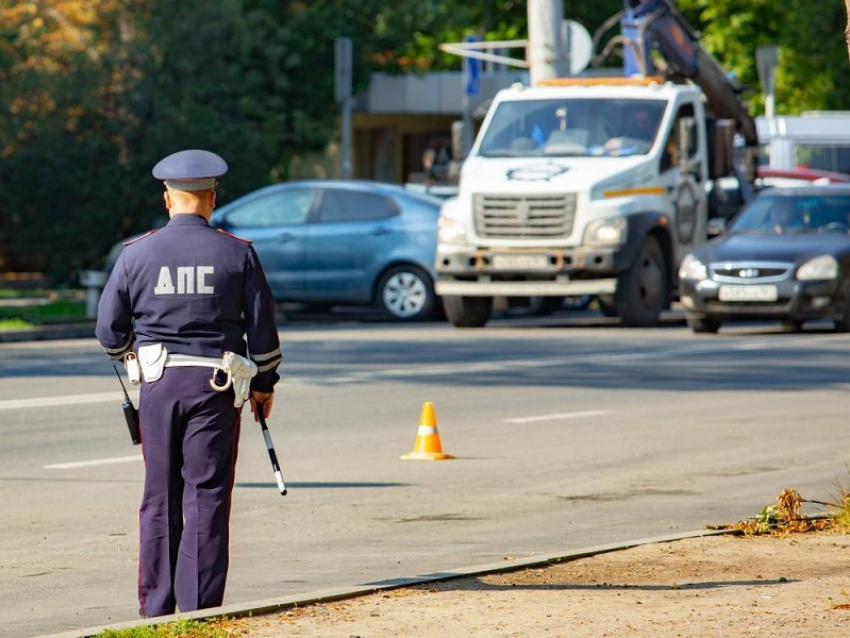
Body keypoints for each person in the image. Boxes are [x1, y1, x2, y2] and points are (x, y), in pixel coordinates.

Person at [95, 149, 282, 618]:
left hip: (158, 386)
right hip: (216, 388)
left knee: (159, 495)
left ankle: (156, 611)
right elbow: (263, 333)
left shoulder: (136, 253)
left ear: (167, 198)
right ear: (211, 198)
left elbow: (108, 331)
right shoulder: (238, 252)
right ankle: (200, 610)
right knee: (207, 495)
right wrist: (263, 383)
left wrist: (129, 353)